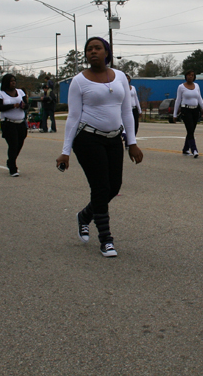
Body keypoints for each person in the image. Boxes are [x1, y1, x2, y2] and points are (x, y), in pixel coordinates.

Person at [56, 37, 143, 258]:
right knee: (101, 187)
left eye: (97, 48)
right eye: (89, 49)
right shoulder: (79, 81)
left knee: (114, 187)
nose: (92, 52)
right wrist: (65, 152)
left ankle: (85, 216)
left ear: (107, 52)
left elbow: (127, 112)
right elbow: (73, 117)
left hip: (114, 139)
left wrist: (131, 143)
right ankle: (106, 240)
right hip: (87, 140)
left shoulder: (120, 77)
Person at [0, 74, 27, 177]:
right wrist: (12, 105)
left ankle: (11, 160)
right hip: (8, 123)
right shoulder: (1, 94)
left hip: (21, 122)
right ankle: (13, 168)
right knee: (13, 144)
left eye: (14, 81)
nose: (13, 83)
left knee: (20, 143)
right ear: (6, 82)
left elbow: (27, 105)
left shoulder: (20, 92)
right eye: (11, 81)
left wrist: (24, 106)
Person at [172, 70, 203, 158]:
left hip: (195, 110)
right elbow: (178, 100)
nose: (191, 76)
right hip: (186, 110)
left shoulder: (197, 86)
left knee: (191, 131)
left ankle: (185, 149)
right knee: (190, 130)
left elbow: (200, 99)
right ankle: (194, 149)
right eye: (189, 75)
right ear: (186, 76)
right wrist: (174, 114)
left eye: (192, 75)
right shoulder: (181, 87)